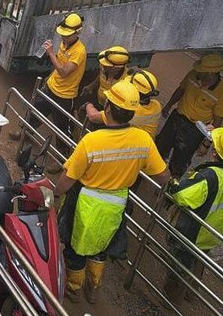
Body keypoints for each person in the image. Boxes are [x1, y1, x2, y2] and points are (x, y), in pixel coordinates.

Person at [54, 79, 169, 303]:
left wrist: (56, 194)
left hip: (85, 199)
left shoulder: (92, 141)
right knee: (101, 246)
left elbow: (68, 178)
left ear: (107, 108)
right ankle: (93, 287)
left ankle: (74, 288)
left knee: (75, 246)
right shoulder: (143, 139)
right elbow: (163, 175)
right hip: (117, 202)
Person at [164, 127, 223, 300]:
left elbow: (182, 195)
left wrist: (173, 183)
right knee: (198, 262)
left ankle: (171, 296)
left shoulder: (210, 176)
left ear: (216, 153)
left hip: (195, 231)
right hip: (214, 229)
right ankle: (192, 292)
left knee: (180, 264)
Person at [9, 13, 87, 173]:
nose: (63, 38)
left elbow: (65, 71)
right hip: (50, 87)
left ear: (77, 33)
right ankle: (24, 131)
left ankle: (62, 158)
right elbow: (58, 65)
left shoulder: (79, 51)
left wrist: (51, 53)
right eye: (63, 35)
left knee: (62, 128)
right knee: (35, 111)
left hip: (65, 96)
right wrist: (49, 76)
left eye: (67, 35)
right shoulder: (64, 44)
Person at [156, 53, 223, 178]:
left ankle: (168, 187)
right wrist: (168, 106)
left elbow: (217, 121)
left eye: (201, 70)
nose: (197, 71)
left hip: (194, 130)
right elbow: (180, 90)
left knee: (180, 161)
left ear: (210, 73)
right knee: (159, 148)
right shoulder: (192, 75)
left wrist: (206, 143)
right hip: (177, 118)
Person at [84, 69, 162, 137]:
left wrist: (88, 105)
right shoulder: (157, 106)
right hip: (143, 145)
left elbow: (93, 117)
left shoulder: (129, 109)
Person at [79, 46, 130, 111]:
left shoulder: (126, 81)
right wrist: (91, 86)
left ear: (116, 68)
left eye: (106, 66)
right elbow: (100, 75)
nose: (102, 67)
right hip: (99, 102)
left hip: (111, 110)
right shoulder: (104, 66)